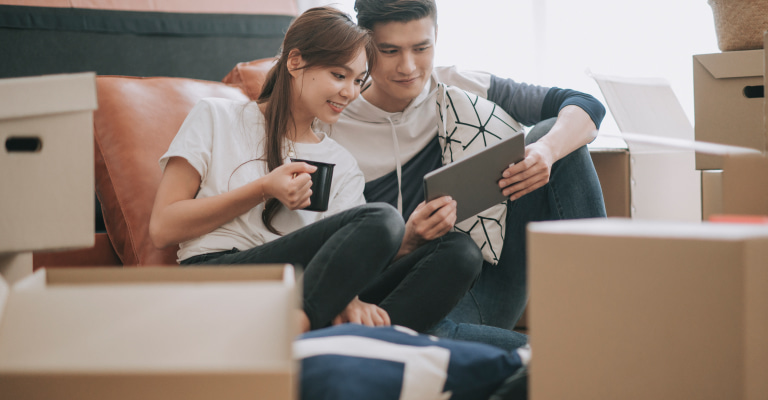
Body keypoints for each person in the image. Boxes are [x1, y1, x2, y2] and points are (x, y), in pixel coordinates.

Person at [148, 6, 482, 335]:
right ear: (295, 61)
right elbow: (163, 228)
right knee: (382, 219)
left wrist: (346, 294)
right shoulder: (216, 116)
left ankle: (359, 348)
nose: (349, 92)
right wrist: (263, 188)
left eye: (358, 80)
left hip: (303, 288)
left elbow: (349, 255)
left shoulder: (341, 163)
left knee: (459, 252)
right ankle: (302, 336)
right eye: (339, 75)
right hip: (220, 275)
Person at [323, 0, 608, 341]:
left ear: (437, 36)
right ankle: (566, 356)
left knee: (555, 136)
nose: (408, 66)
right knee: (459, 339)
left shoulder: (455, 85)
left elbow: (585, 105)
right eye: (390, 51)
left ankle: (606, 313)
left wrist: (546, 152)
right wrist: (408, 242)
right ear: (365, 46)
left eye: (421, 48)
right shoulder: (335, 122)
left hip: (493, 282)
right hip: (413, 299)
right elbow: (331, 258)